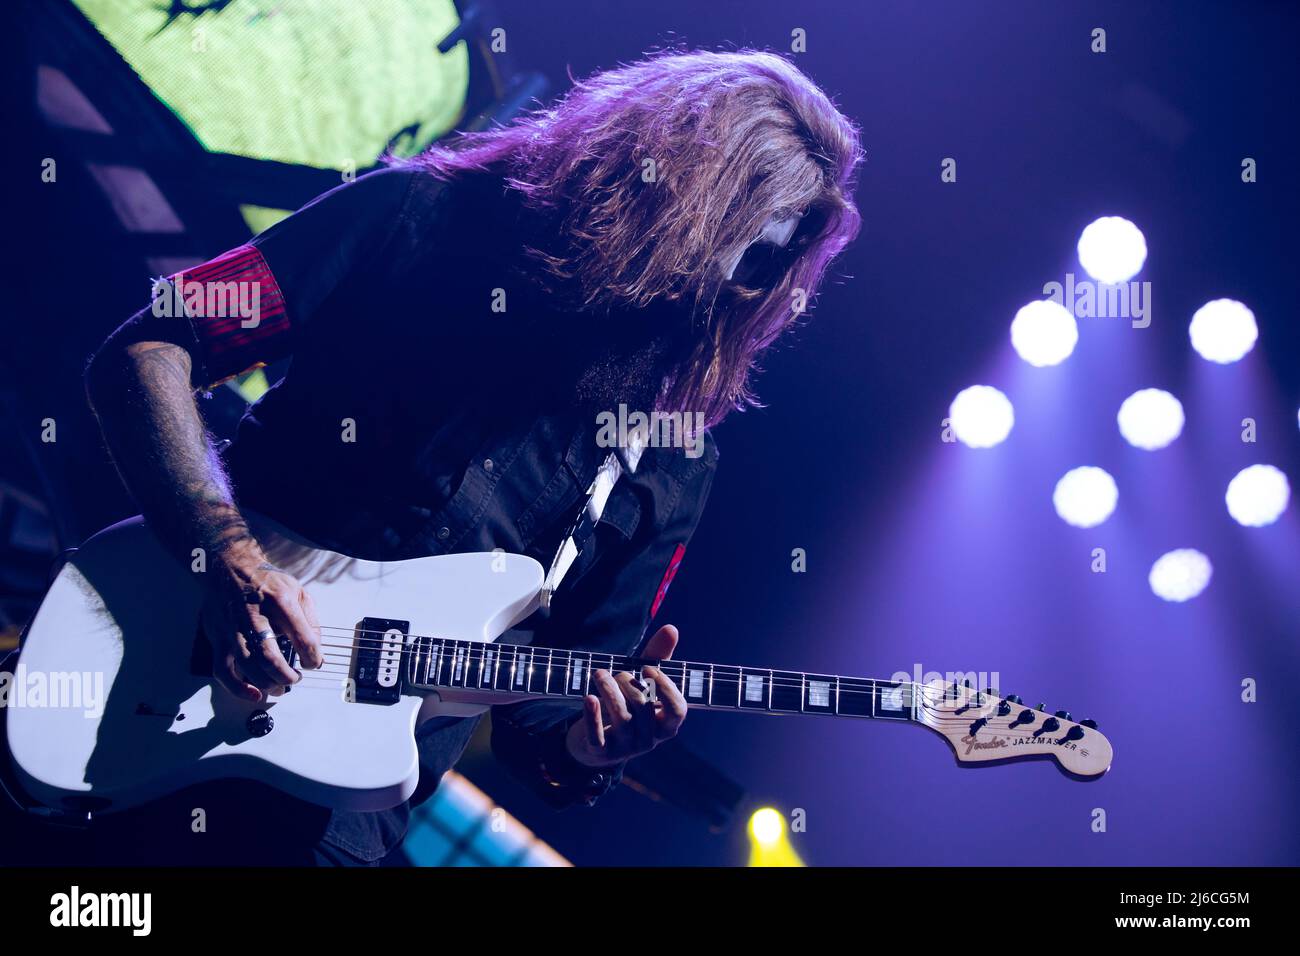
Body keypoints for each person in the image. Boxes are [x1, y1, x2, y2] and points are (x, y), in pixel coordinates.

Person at [74, 49, 860, 864]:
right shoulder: (417, 216)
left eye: (761, 268)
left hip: (323, 828)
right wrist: (228, 559)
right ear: (667, 175)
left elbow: (547, 723)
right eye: (734, 239)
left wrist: (595, 748)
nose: (727, 282)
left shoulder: (669, 455)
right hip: (140, 678)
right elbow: (151, 347)